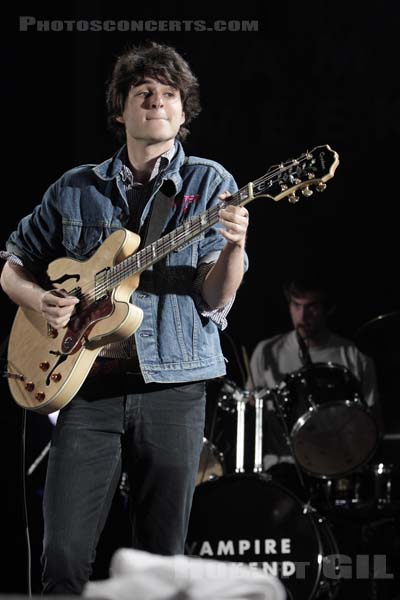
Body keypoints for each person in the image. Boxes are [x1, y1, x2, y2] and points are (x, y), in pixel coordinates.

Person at [0, 41, 249, 594]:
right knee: (62, 557)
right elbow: (12, 266)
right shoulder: (76, 187)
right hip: (86, 387)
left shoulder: (209, 185)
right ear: (121, 111)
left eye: (168, 95)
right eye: (143, 94)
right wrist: (40, 301)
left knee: (160, 561)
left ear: (184, 113)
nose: (156, 102)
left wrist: (234, 248)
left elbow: (213, 300)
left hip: (174, 388)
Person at [248, 274, 382, 473]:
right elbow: (250, 411)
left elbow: (374, 423)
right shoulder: (267, 352)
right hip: (280, 468)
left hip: (338, 466)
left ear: (328, 309)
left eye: (312, 307)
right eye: (296, 305)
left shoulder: (354, 356)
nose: (302, 316)